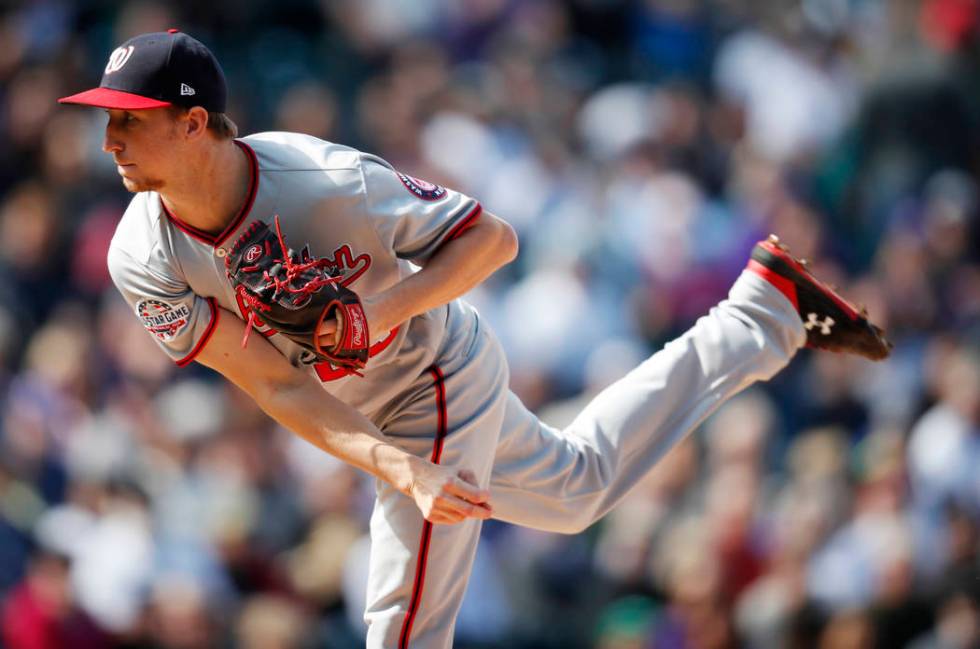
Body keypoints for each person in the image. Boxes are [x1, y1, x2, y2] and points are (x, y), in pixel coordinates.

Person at [59, 30, 891, 649]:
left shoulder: (323, 181)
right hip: (364, 409)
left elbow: (493, 240)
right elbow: (276, 384)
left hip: (436, 371)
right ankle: (761, 315)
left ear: (194, 122)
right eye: (107, 120)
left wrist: (380, 312)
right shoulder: (140, 254)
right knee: (575, 490)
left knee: (404, 624)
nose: (110, 140)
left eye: (128, 120)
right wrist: (396, 465)